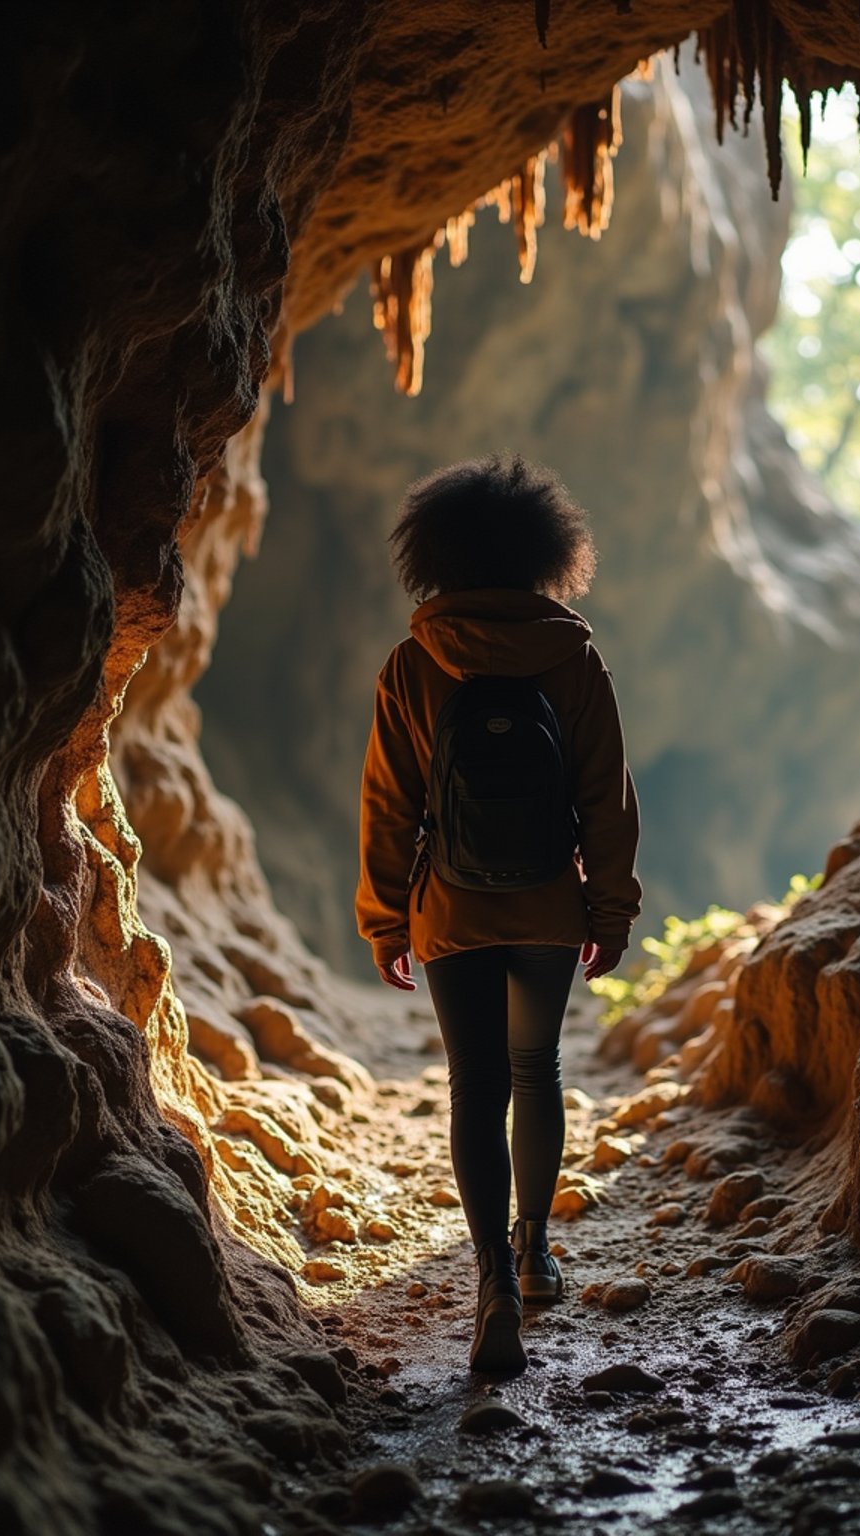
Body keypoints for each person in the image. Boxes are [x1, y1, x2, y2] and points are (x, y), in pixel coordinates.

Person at [356, 454, 641, 1374]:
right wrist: (610, 906)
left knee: (474, 1082)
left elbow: (389, 805)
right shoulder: (574, 657)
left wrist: (386, 919)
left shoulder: (412, 663)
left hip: (452, 907)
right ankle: (536, 1251)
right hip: (551, 902)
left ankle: (492, 1285)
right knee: (536, 1066)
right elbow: (607, 797)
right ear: (546, 555)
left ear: (433, 555)